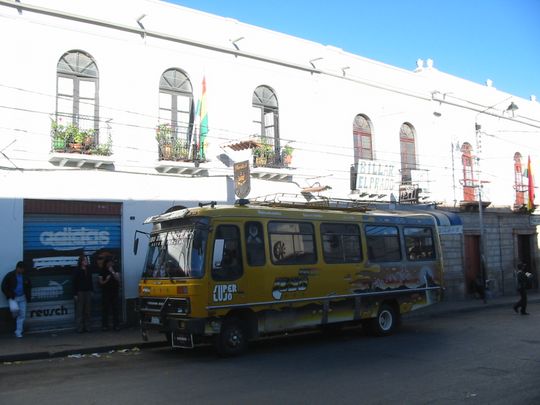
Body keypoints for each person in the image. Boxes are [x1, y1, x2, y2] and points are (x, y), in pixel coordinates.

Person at [1, 261, 32, 338]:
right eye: (21, 269)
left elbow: (29, 286)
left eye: (23, 269)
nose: (22, 271)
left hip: (22, 297)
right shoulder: (10, 275)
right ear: (17, 268)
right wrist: (9, 295)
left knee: (22, 315)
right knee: (15, 311)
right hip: (13, 298)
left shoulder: (25, 276)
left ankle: (18, 331)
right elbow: (3, 286)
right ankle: (14, 320)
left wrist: (28, 296)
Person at [98, 258, 121, 331]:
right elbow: (100, 282)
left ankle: (116, 325)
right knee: (105, 309)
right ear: (106, 264)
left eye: (111, 263)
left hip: (114, 292)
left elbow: (118, 279)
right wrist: (106, 280)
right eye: (109, 263)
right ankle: (105, 326)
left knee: (115, 309)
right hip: (106, 292)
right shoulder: (102, 271)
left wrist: (113, 272)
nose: (110, 264)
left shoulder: (115, 269)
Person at [73, 254, 93, 333]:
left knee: (88, 310)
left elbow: (90, 281)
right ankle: (80, 328)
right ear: (81, 262)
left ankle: (88, 327)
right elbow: (74, 282)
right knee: (80, 311)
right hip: (80, 292)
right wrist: (75, 294)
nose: (86, 261)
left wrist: (91, 290)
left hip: (87, 291)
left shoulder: (88, 270)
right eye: (84, 260)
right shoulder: (77, 270)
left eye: (86, 260)